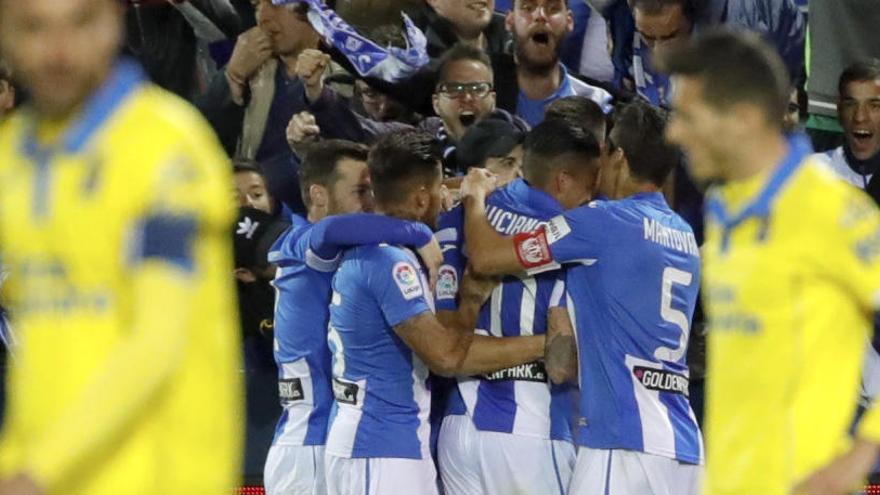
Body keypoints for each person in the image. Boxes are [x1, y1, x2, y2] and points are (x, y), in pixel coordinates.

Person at [0, 0, 243, 493]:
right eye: (34, 28)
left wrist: (37, 469)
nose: (59, 51)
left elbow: (158, 339)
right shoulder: (15, 157)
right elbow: (40, 352)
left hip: (157, 479)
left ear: (114, 21)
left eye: (80, 23)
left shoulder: (168, 147)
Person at [656, 29, 880, 495]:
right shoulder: (723, 214)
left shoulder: (832, 212)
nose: (674, 132)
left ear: (741, 118)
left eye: (688, 116)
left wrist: (859, 455)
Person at [458, 99, 703, 494]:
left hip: (623, 443)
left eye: (604, 151)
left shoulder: (602, 222)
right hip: (683, 447)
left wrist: (474, 199)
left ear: (618, 156)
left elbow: (486, 257)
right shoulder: (684, 234)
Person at [324, 131, 546, 494]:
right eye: (439, 188)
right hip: (379, 448)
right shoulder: (390, 262)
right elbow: (445, 356)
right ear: (420, 198)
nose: (446, 197)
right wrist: (543, 343)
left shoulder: (372, 250)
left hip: (380, 441)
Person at [264, 139, 445, 495]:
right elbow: (333, 230)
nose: (370, 203)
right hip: (308, 448)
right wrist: (418, 232)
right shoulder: (299, 241)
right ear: (318, 195)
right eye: (360, 191)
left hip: (326, 438)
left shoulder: (347, 253)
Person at [436, 119, 600, 494]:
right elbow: (564, 361)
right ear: (563, 179)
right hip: (533, 427)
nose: (593, 196)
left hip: (459, 422)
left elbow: (444, 336)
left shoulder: (463, 211)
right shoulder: (575, 230)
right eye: (590, 183)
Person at [290, 43, 528, 176]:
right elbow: (360, 131)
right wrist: (317, 91)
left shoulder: (522, 144)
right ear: (436, 103)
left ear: (493, 99)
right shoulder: (418, 143)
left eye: (477, 88)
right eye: (454, 88)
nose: (466, 97)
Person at [607, 0, 805, 108]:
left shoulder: (742, 27)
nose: (658, 49)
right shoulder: (619, 18)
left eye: (670, 36)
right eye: (647, 36)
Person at [503, 0, 613, 126]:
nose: (540, 16)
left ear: (569, 20)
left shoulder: (597, 108)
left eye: (553, 8)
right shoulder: (483, 94)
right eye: (528, 8)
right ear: (510, 20)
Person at [816, 60, 880, 190]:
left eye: (874, 106)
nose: (860, 117)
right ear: (839, 111)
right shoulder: (813, 172)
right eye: (850, 105)